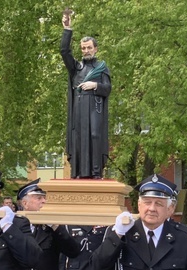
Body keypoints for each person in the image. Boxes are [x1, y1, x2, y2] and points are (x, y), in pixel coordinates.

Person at [60, 9, 111, 179]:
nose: (86, 51)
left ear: (95, 49)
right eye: (83, 48)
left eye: (89, 48)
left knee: (95, 136)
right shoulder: (76, 68)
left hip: (95, 108)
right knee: (79, 138)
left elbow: (107, 88)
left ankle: (96, 173)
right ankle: (79, 172)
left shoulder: (101, 68)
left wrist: (94, 85)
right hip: (79, 108)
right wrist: (67, 29)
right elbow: (64, 52)